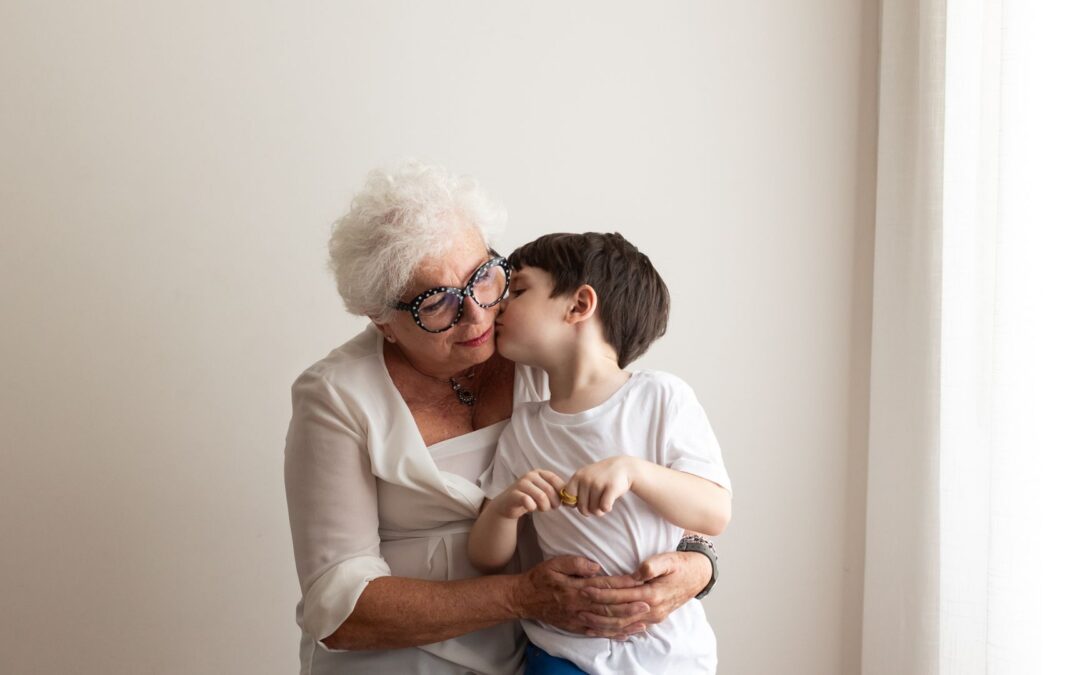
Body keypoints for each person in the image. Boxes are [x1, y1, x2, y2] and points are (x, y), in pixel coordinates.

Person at [282, 162, 719, 675]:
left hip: (552, 653)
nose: (478, 315)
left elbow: (657, 475)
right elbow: (340, 609)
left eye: (483, 278)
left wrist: (696, 564)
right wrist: (522, 596)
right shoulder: (335, 396)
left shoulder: (542, 354)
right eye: (436, 302)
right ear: (384, 320)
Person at [468, 232, 733, 674]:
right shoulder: (525, 427)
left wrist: (634, 471)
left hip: (668, 655)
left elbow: (714, 513)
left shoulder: (661, 397)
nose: (498, 306)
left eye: (518, 290)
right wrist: (505, 510)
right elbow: (485, 557)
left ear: (578, 305)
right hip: (563, 654)